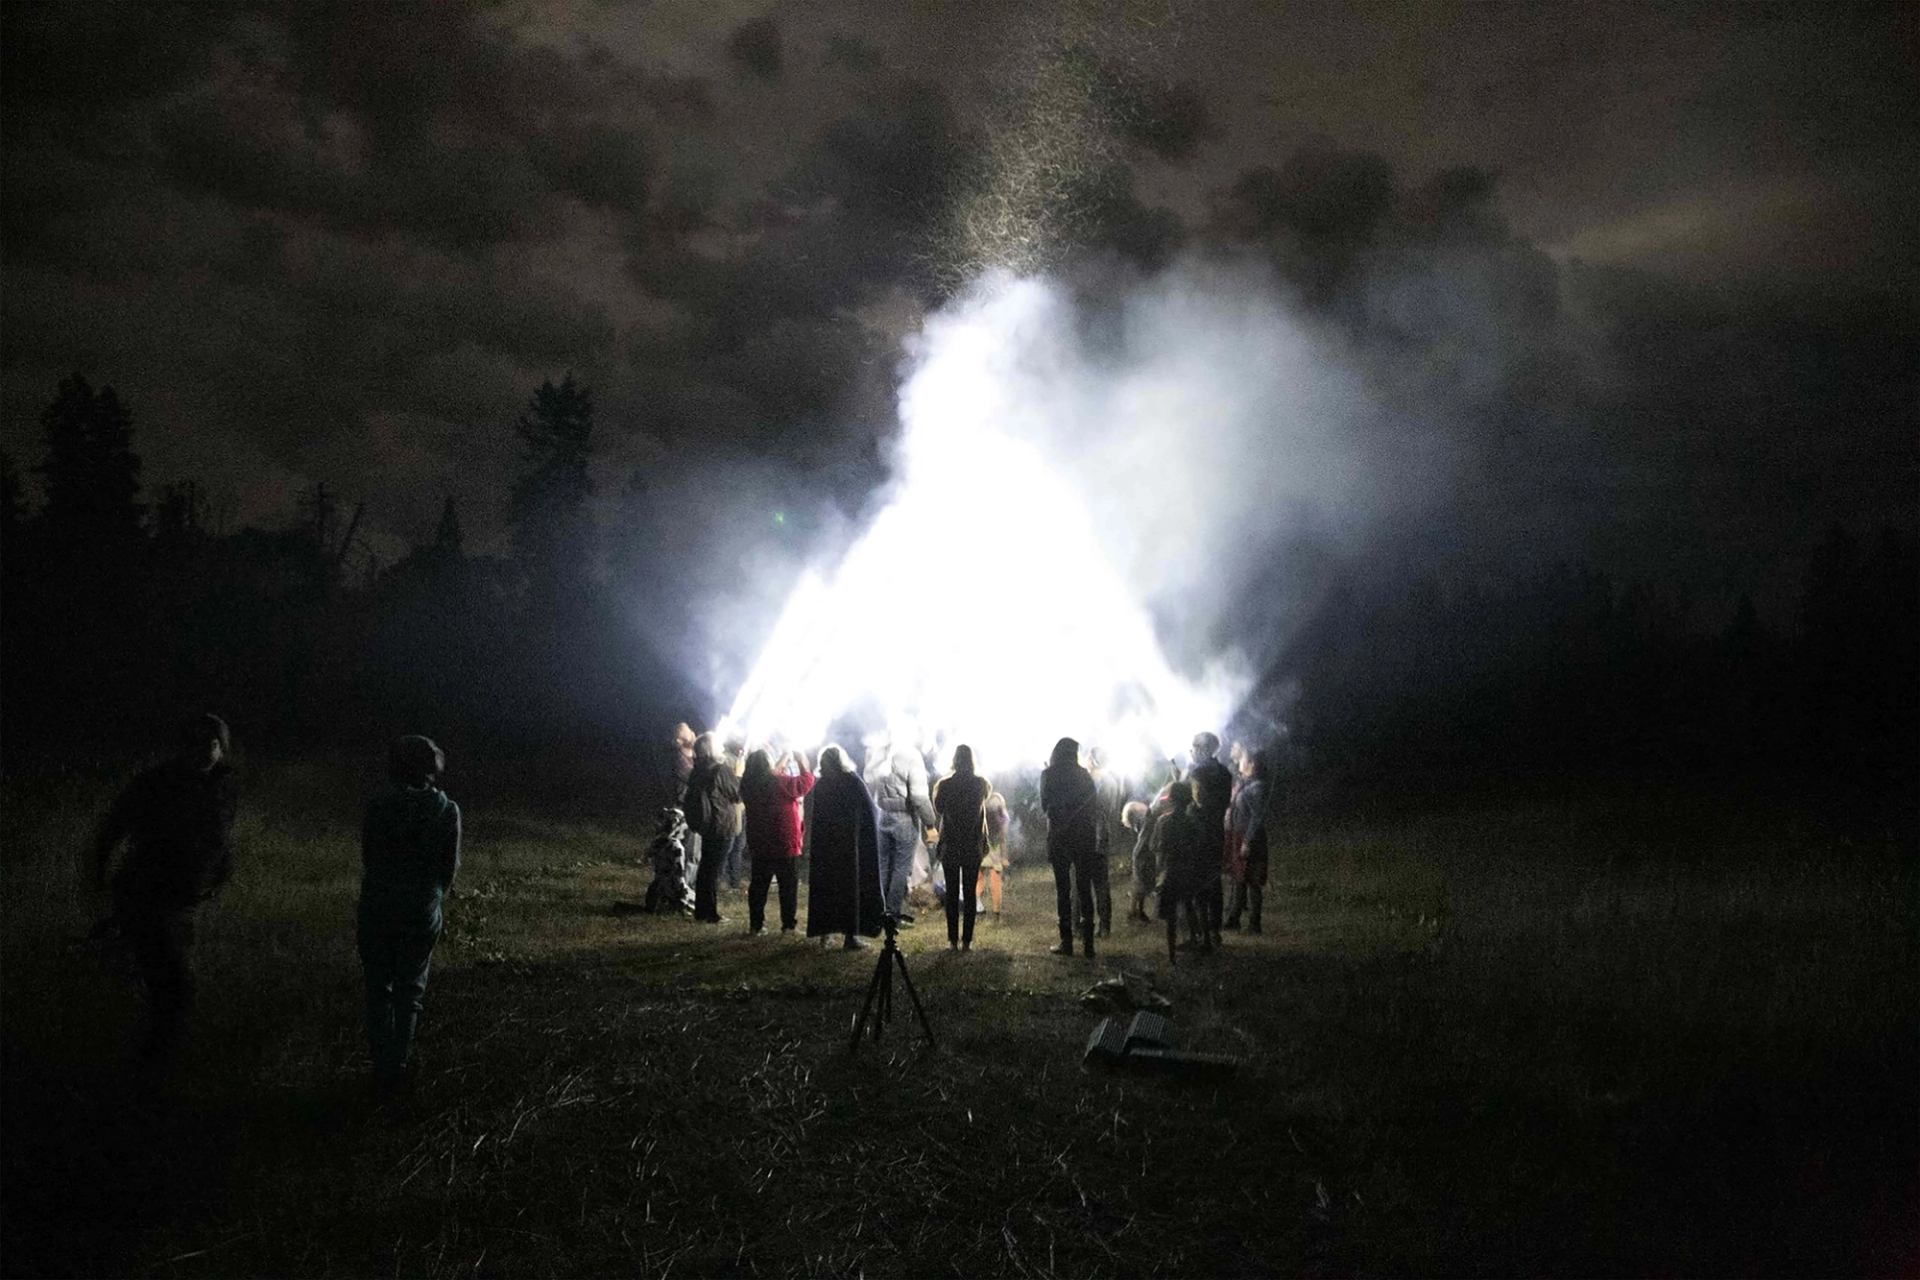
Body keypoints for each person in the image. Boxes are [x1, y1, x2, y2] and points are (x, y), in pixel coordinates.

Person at [93, 713, 237, 1067]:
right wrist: (98, 870)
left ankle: (148, 1063)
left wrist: (220, 870)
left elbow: (217, 836)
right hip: (147, 896)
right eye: (196, 743)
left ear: (222, 747)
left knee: (165, 983)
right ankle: (150, 1072)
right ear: (182, 746)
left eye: (212, 743)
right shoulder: (157, 783)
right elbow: (114, 826)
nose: (205, 750)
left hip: (182, 901)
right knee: (177, 991)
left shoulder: (222, 784)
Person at [358, 734, 461, 1096]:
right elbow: (448, 869)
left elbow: (369, 857)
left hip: (377, 905)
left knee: (378, 989)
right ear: (433, 768)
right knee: (409, 991)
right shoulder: (447, 811)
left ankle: (380, 1065)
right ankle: (398, 1066)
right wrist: (430, 896)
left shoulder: (378, 806)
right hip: (420, 909)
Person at [805, 745, 886, 949]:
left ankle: (826, 933)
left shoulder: (821, 784)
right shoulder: (851, 781)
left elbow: (814, 815)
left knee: (827, 889)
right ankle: (850, 937)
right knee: (850, 891)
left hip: (826, 847)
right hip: (849, 847)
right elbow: (869, 809)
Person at [741, 747, 814, 935]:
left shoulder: (748, 785)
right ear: (768, 764)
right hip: (784, 842)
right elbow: (805, 783)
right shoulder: (779, 782)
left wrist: (782, 760)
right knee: (788, 886)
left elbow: (771, 777)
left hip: (759, 842)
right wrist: (802, 762)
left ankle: (756, 925)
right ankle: (788, 924)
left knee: (758, 885)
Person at [1039, 736, 1100, 958]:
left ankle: (1067, 941)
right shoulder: (1084, 775)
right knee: (1084, 889)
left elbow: (1045, 806)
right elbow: (1093, 804)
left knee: (1063, 891)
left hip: (1059, 837)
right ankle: (1089, 944)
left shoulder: (1048, 775)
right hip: (1083, 837)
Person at [866, 742, 936, 925]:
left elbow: (869, 780)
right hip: (904, 816)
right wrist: (930, 823)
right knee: (900, 869)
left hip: (882, 815)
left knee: (883, 866)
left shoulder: (879, 751)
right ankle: (892, 914)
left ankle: (878, 912)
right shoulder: (911, 755)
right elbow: (919, 796)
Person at [931, 745, 991, 951]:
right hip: (972, 844)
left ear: (954, 760)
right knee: (970, 892)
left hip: (951, 844)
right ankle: (967, 940)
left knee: (951, 893)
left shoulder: (945, 785)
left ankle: (952, 940)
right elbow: (986, 799)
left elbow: (938, 808)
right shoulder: (980, 784)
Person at [683, 732, 740, 924]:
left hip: (706, 824)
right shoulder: (720, 769)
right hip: (721, 824)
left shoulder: (697, 769)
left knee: (706, 868)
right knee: (714, 871)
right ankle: (711, 914)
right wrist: (738, 776)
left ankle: (702, 911)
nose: (722, 746)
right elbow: (737, 795)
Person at [1151, 780, 1205, 964]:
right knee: (1189, 905)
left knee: (1171, 916)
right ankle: (1197, 940)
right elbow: (1198, 846)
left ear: (1171, 799)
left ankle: (1172, 954)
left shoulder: (1163, 822)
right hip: (1188, 870)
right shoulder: (1192, 822)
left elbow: (1156, 847)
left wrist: (1158, 873)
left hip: (1171, 871)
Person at [1188, 732, 1232, 949]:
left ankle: (1201, 934)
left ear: (1203, 749)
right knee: (1214, 883)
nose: (1191, 751)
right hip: (1216, 832)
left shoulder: (1197, 772)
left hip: (1197, 834)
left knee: (1197, 884)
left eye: (1194, 747)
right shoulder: (1224, 772)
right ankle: (1214, 931)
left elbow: (1197, 801)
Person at [1225, 748, 1271, 932]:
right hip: (1238, 835)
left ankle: (1254, 923)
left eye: (1243, 760)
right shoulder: (1244, 783)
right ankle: (1234, 919)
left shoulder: (1257, 787)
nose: (1239, 763)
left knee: (1253, 881)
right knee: (1239, 878)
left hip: (1250, 838)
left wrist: (1247, 841)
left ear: (1251, 764)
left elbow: (1257, 817)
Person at [1086, 746, 1124, 937]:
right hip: (1105, 836)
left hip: (1089, 836)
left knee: (1082, 883)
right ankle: (1105, 926)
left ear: (1093, 761)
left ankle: (1084, 925)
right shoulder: (1112, 782)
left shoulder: (1090, 782)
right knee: (1102, 884)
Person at [721, 735, 749, 891]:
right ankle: (722, 880)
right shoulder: (724, 759)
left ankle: (735, 881)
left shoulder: (741, 758)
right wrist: (738, 775)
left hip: (741, 808)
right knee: (728, 845)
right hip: (730, 808)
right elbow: (732, 787)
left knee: (739, 845)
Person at [1122, 799, 1155, 923]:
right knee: (1140, 884)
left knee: (1140, 884)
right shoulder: (1145, 819)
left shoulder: (1141, 820)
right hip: (1143, 854)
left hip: (1143, 854)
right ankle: (1135, 912)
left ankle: (1136, 912)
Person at [978, 789, 1010, 917]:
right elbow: (1005, 824)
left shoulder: (979, 800)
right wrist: (1004, 856)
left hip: (979, 844)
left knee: (978, 877)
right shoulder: (998, 799)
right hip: (994, 844)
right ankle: (996, 909)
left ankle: (977, 905)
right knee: (995, 878)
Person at [666, 722, 696, 805]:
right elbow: (696, 778)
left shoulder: (695, 753)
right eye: (687, 734)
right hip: (687, 805)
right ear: (678, 741)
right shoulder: (679, 761)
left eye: (690, 730)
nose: (692, 734)